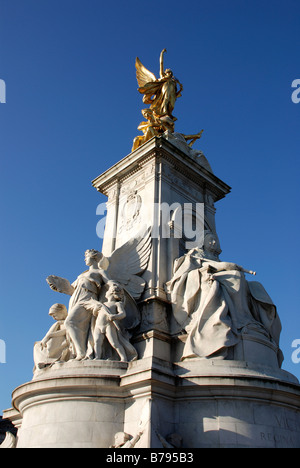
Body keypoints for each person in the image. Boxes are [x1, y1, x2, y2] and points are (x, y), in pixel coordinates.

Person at [167, 231, 283, 365]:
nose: (213, 242)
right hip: (204, 277)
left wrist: (223, 266)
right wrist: (220, 266)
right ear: (202, 242)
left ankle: (247, 320)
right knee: (236, 278)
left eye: (215, 240)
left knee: (256, 286)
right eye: (210, 240)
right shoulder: (196, 254)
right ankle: (240, 321)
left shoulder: (214, 257)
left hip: (219, 276)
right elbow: (195, 268)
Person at [87, 282, 138, 362]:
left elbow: (122, 314)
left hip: (109, 325)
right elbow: (95, 313)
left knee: (114, 343)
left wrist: (114, 316)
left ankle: (123, 358)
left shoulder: (118, 304)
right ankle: (97, 357)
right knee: (97, 341)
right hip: (98, 325)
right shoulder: (103, 304)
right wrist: (96, 309)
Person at [33, 303, 70, 372]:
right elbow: (48, 334)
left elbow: (67, 331)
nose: (54, 318)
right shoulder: (57, 323)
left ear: (61, 311)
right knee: (37, 346)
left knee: (52, 341)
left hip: (63, 339)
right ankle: (43, 362)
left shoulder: (69, 320)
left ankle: (50, 360)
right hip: (56, 339)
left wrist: (50, 335)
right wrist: (47, 338)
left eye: (54, 315)